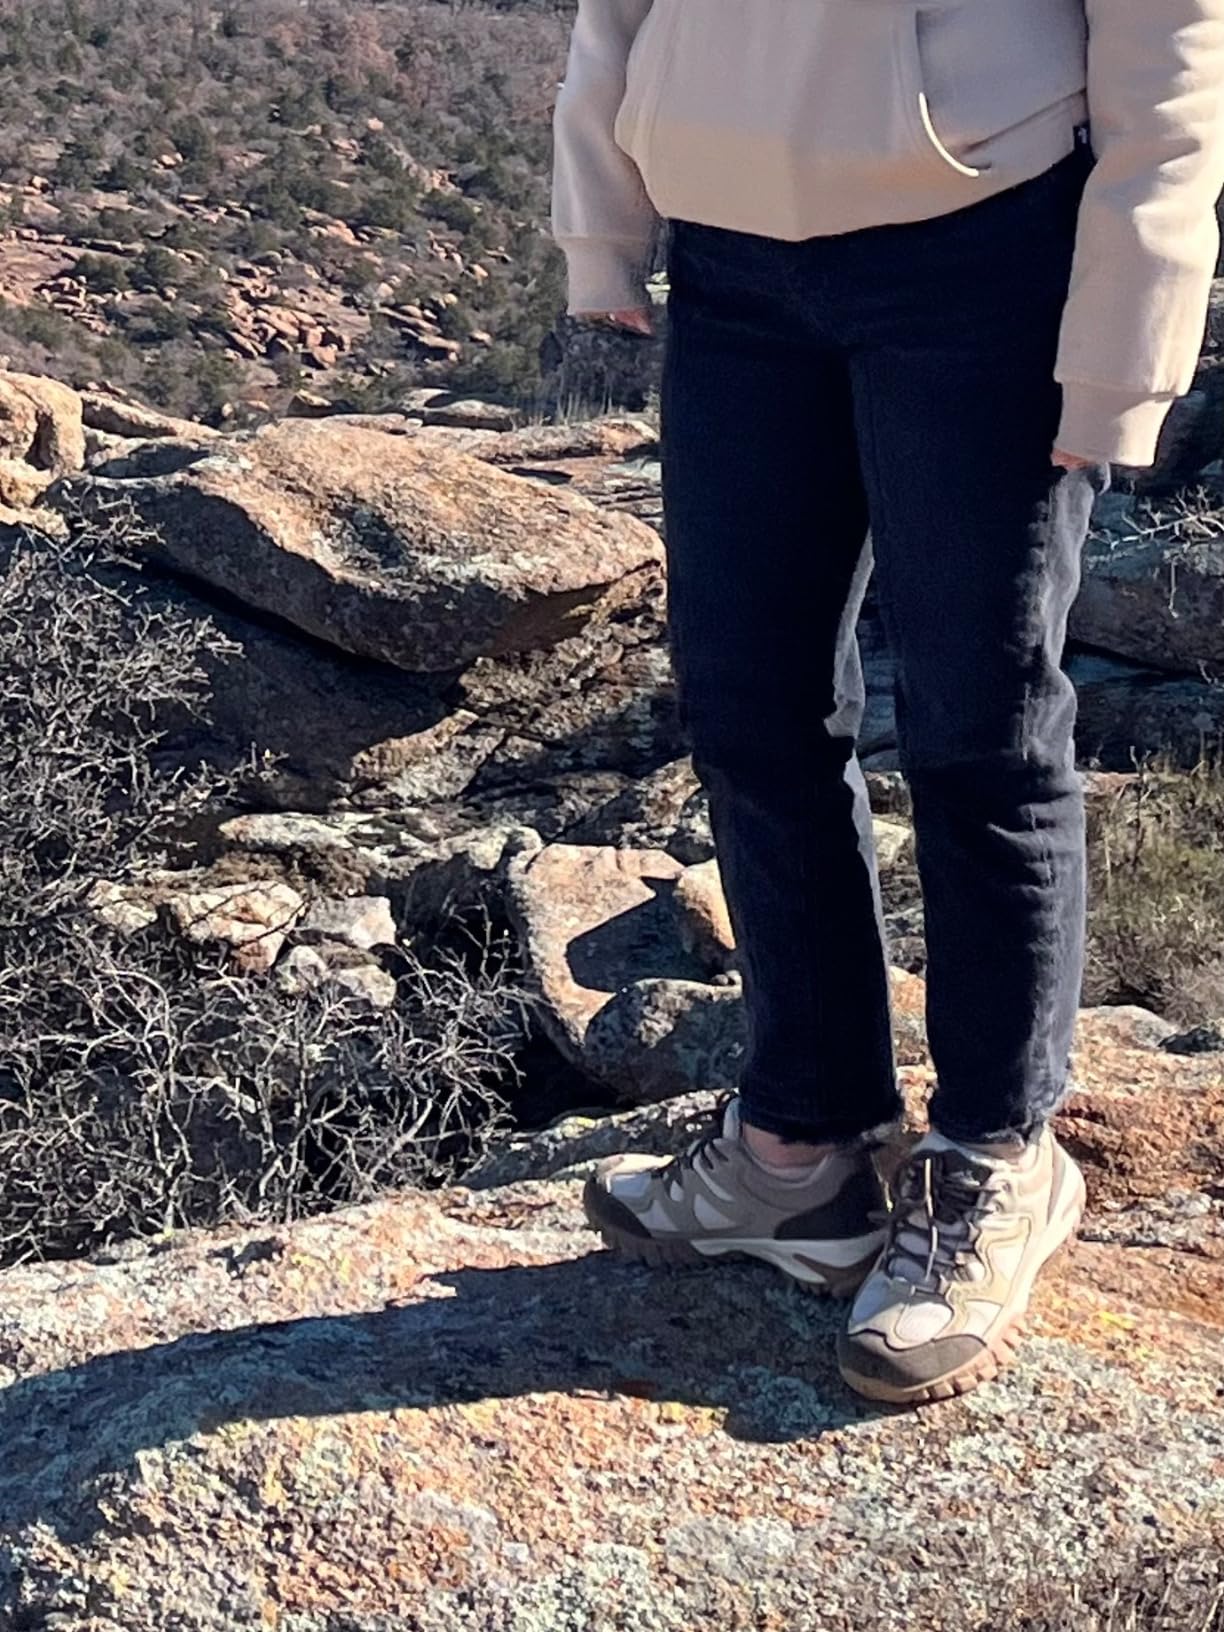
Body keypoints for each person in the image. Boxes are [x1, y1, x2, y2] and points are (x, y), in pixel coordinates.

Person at [550, 0, 1224, 1405]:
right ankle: (806, 1144)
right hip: (732, 262)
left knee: (980, 729)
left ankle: (992, 1156)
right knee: (751, 711)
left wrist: (1121, 359)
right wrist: (602, 215)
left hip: (981, 256)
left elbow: (1169, 59)